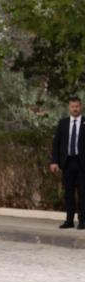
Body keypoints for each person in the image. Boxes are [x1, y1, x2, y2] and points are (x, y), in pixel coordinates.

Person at [50, 96, 84, 229]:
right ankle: (69, 220)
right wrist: (54, 161)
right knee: (68, 193)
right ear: (69, 107)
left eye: (77, 106)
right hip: (67, 163)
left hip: (82, 164)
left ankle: (83, 221)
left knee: (83, 193)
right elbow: (56, 143)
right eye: (72, 106)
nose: (75, 109)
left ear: (80, 107)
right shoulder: (63, 123)